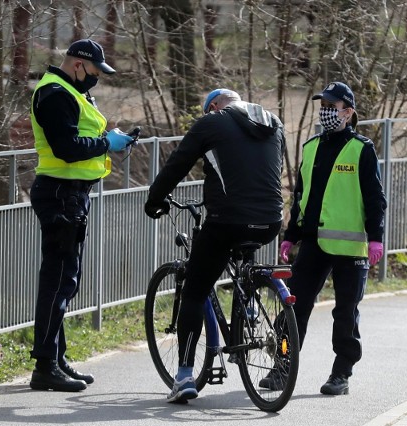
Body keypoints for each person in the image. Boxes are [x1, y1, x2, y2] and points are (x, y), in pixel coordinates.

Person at [144, 88, 286, 403]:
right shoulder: (273, 120)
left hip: (227, 220)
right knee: (243, 261)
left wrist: (155, 199)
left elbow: (178, 164)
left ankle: (183, 376)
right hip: (271, 220)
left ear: (215, 107)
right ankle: (246, 310)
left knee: (195, 288)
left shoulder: (212, 123)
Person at [260, 81, 387, 395]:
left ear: (348, 112)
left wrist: (376, 238)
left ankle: (340, 373)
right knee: (294, 308)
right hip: (314, 243)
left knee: (345, 313)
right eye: (324, 106)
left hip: (351, 247)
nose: (326, 112)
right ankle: (282, 368)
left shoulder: (362, 149)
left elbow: (375, 198)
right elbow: (302, 197)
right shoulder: (311, 146)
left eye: (332, 107)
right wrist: (291, 236)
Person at [29, 39, 135, 392]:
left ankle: (55, 359)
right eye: (94, 71)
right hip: (61, 194)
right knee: (59, 280)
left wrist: (109, 138)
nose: (97, 79)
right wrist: (108, 143)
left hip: (71, 194)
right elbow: (67, 147)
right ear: (78, 65)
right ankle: (45, 364)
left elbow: (79, 136)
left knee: (64, 278)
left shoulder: (69, 92)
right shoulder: (56, 94)